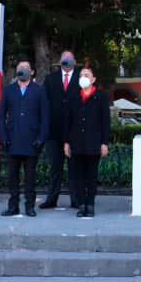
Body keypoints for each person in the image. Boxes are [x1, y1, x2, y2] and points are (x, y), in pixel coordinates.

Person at [0, 60, 49, 218]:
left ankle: (30, 206)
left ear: (32, 72)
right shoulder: (8, 90)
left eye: (26, 68)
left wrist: (41, 138)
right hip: (12, 140)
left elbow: (45, 117)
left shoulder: (39, 90)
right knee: (12, 177)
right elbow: (1, 116)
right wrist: (3, 137)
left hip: (31, 141)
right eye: (20, 68)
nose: (22, 70)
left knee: (30, 178)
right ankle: (13, 206)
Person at [63, 66, 110, 218]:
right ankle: (81, 205)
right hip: (76, 143)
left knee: (91, 176)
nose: (83, 77)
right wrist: (66, 142)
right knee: (78, 176)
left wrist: (104, 143)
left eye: (87, 75)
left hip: (94, 143)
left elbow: (105, 122)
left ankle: (90, 205)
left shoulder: (101, 96)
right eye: (81, 75)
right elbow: (68, 121)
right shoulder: (73, 97)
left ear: (93, 79)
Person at [40, 50, 82, 210]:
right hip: (54, 131)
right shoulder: (50, 79)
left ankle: (76, 199)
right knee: (55, 168)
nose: (66, 61)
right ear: (60, 61)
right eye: (64, 58)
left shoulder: (81, 78)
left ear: (75, 61)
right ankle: (52, 199)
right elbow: (44, 104)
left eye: (69, 58)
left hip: (74, 131)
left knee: (74, 168)